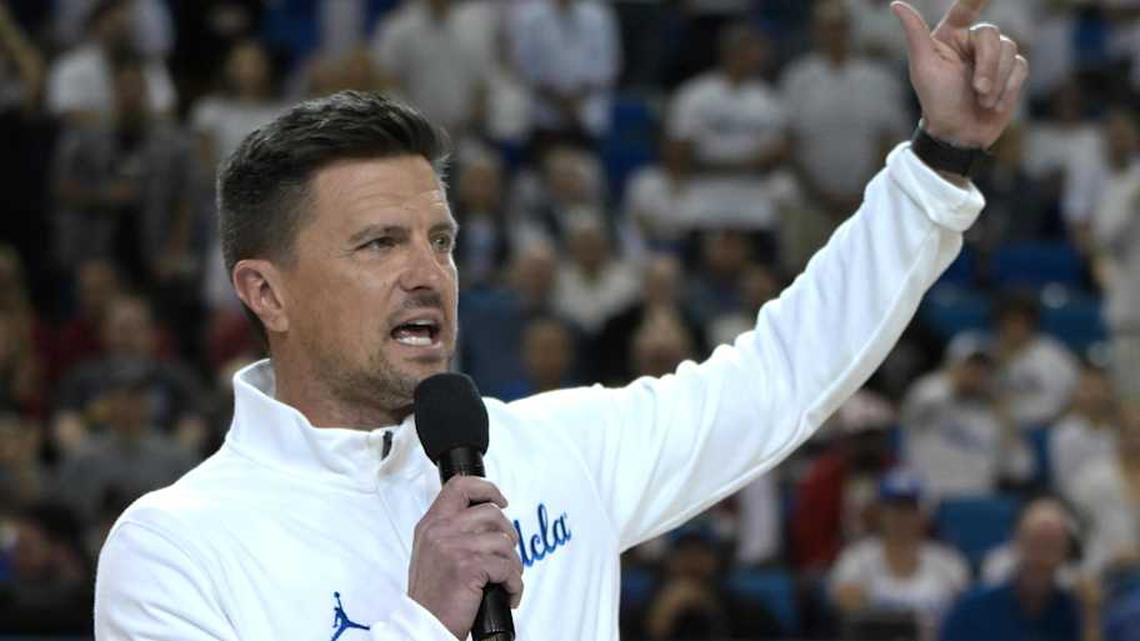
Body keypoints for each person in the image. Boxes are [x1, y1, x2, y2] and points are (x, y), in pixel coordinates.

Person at [94, 2, 1029, 638]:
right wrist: (422, 619)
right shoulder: (176, 547)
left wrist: (938, 161)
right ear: (266, 292)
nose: (429, 274)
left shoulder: (554, 448)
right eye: (379, 244)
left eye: (442, 239)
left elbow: (780, 377)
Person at [900, 334, 1033, 501]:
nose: (976, 373)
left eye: (983, 368)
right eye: (970, 366)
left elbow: (1021, 470)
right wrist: (955, 384)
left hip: (976, 504)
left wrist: (1006, 421)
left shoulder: (993, 417)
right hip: (927, 500)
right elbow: (916, 405)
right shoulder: (929, 393)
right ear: (951, 366)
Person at [941, 498, 1083, 641]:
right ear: (1016, 541)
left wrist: (1090, 617)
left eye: (1051, 542)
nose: (1041, 554)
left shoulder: (1074, 612)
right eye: (1036, 540)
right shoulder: (972, 611)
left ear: (1068, 549)